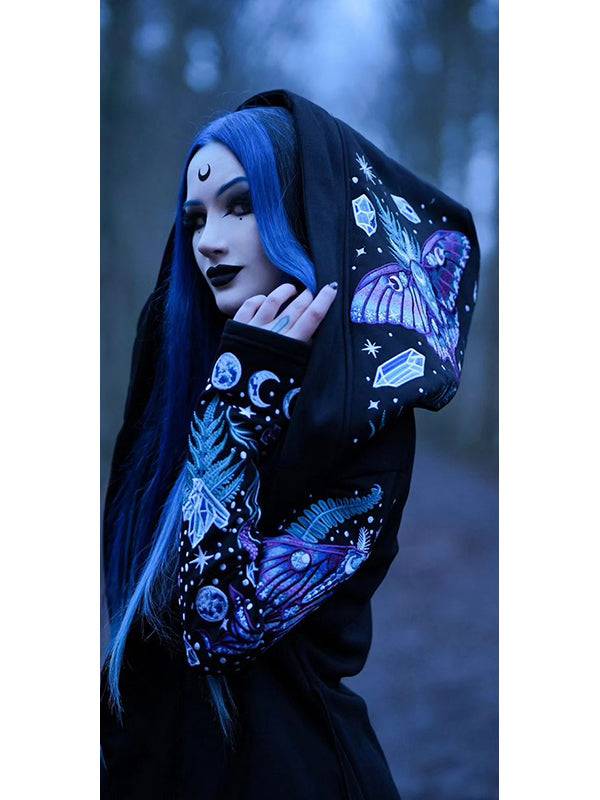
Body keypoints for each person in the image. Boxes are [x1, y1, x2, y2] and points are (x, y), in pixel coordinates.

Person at [101, 90, 480, 800]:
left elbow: (218, 625)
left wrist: (245, 387)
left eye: (241, 207)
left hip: (284, 772)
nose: (209, 240)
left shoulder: (363, 416)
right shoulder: (181, 362)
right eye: (195, 218)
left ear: (304, 213)